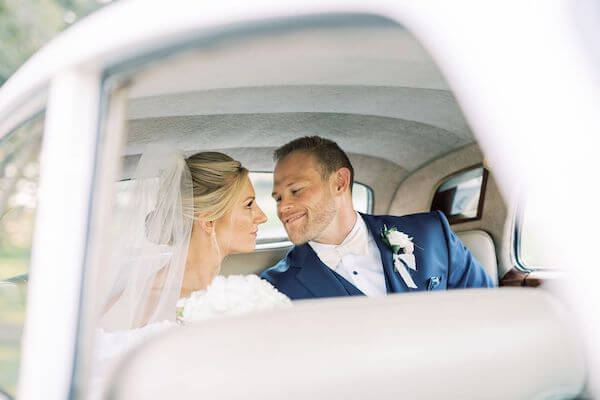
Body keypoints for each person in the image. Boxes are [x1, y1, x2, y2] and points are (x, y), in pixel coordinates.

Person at [261, 136, 495, 299]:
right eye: (278, 198)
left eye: (295, 190)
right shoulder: (275, 287)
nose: (283, 209)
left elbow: (487, 309)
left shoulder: (432, 234)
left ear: (339, 183)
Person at [99, 149, 277, 331]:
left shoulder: (234, 296)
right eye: (248, 205)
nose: (262, 217)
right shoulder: (139, 305)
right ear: (208, 221)